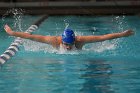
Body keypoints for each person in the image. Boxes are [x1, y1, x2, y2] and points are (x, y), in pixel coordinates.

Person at [4, 24, 134, 51]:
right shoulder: (54, 41)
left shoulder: (80, 41)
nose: (67, 47)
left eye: (69, 45)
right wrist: (12, 32)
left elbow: (103, 37)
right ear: (62, 40)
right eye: (66, 44)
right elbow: (30, 36)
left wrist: (122, 34)